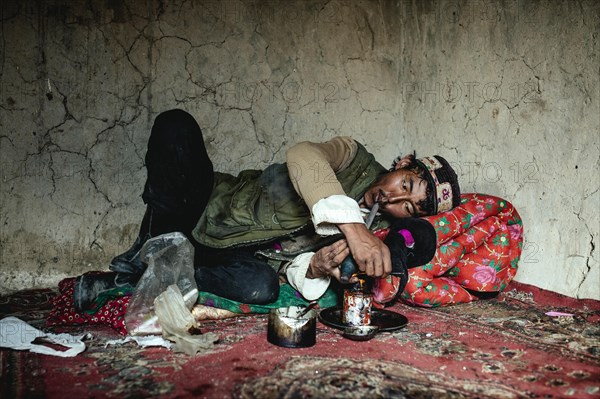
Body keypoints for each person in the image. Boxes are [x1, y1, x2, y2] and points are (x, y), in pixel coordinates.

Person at [74, 109, 461, 310]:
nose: (393, 200)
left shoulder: (379, 238)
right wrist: (352, 229)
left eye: (407, 206)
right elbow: (302, 154)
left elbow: (298, 267)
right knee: (176, 126)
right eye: (405, 185)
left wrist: (317, 265)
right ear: (402, 162)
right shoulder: (353, 156)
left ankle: (152, 277)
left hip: (240, 259)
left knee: (261, 287)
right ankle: (147, 250)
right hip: (209, 206)